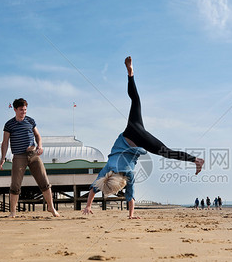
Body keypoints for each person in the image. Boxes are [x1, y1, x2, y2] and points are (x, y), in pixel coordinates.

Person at [82, 56, 204, 219]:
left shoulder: (128, 174)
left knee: (165, 152)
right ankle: (130, 74)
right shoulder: (107, 171)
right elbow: (95, 187)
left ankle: (196, 160)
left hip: (137, 140)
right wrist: (88, 204)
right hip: (130, 130)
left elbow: (129, 195)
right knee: (135, 100)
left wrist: (131, 215)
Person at [0, 98, 59, 218]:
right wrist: (3, 157)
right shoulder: (9, 124)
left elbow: (38, 135)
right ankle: (13, 212)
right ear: (15, 109)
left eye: (25, 110)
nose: (24, 112)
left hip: (33, 155)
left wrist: (40, 146)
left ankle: (51, 207)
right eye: (21, 110)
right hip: (19, 157)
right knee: (15, 185)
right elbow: (5, 142)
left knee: (44, 181)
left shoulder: (30, 121)